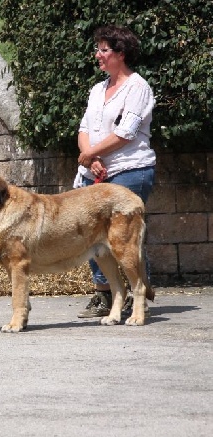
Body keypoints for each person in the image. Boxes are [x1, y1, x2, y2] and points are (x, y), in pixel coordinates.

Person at [73, 25, 156, 318]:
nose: (97, 55)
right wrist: (89, 158)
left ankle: (137, 294)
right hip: (96, 169)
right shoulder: (98, 89)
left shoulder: (138, 87)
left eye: (103, 50)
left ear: (121, 53)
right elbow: (84, 128)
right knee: (91, 233)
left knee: (123, 238)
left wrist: (92, 154)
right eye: (98, 49)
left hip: (129, 170)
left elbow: (126, 133)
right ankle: (104, 295)